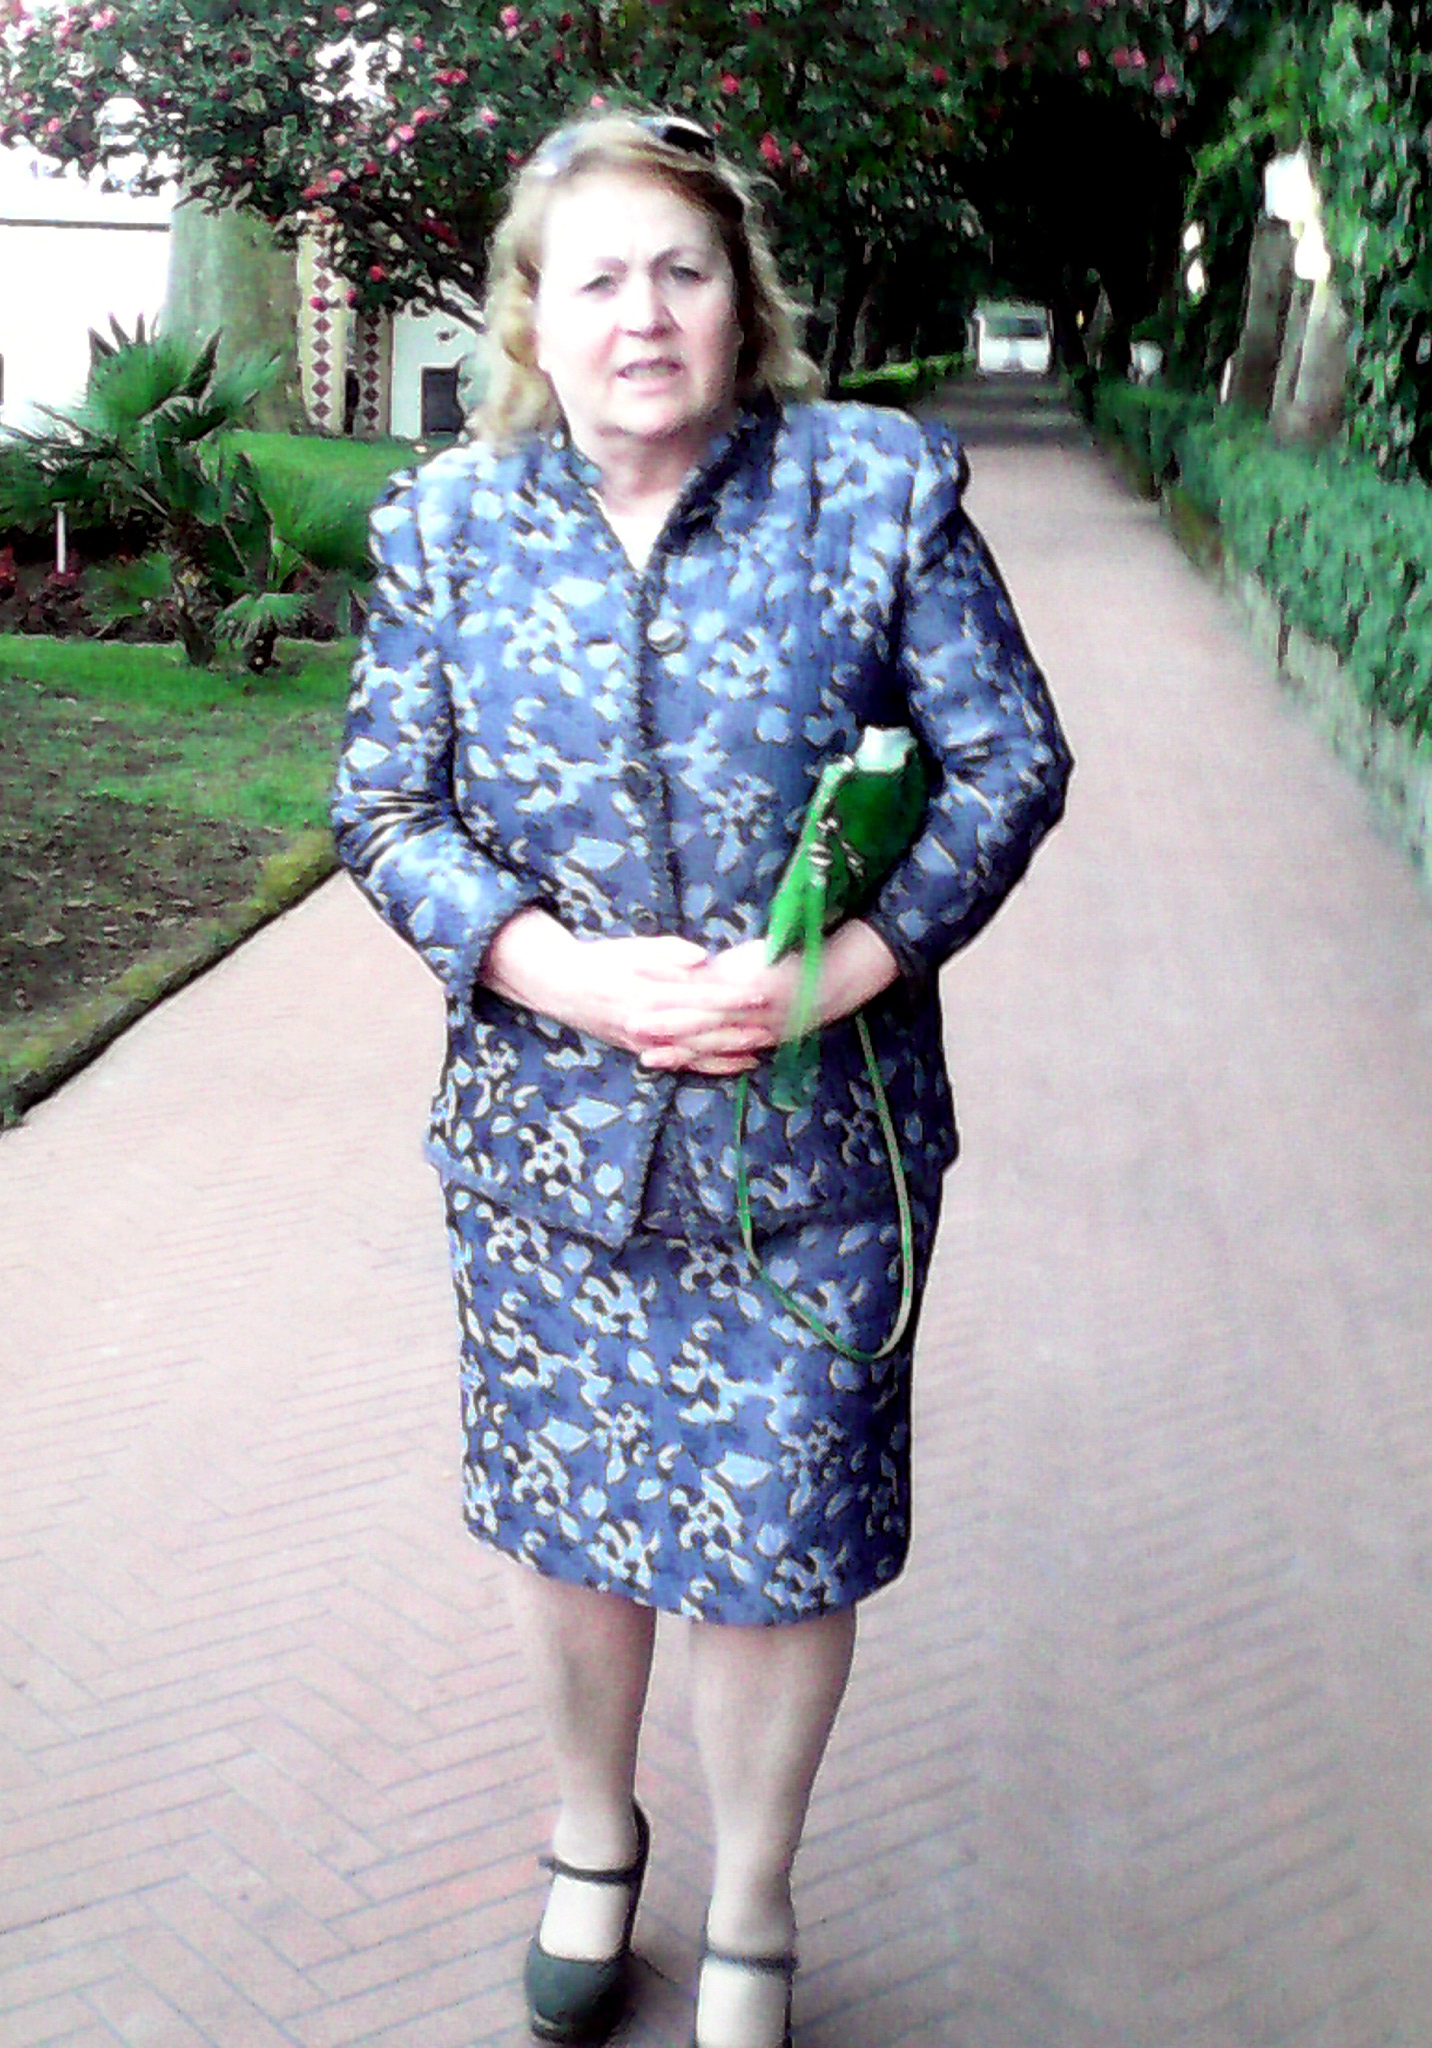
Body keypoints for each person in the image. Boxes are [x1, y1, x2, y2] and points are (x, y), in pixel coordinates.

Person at [333, 109, 1071, 2048]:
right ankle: (592, 1836)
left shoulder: (872, 490)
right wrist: (556, 969)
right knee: (569, 1518)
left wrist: (841, 972)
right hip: (549, 1147)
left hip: (812, 1151)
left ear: (743, 301)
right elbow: (384, 808)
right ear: (533, 314)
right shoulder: (447, 527)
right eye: (598, 277)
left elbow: (1009, 760)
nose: (643, 313)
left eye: (684, 270)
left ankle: (753, 1897)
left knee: (784, 1537)